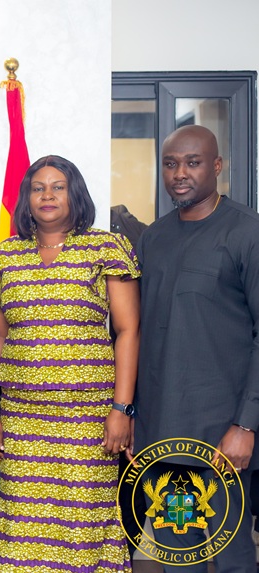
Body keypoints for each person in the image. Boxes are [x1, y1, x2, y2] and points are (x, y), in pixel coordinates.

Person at [0, 156, 138, 573]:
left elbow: (127, 331)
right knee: (21, 533)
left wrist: (121, 409)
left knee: (82, 530)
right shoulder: (5, 255)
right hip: (22, 422)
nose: (47, 195)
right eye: (38, 188)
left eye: (58, 187)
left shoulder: (105, 248)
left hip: (87, 423)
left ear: (75, 194)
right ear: (26, 199)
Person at [134, 125, 259, 572]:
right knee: (178, 551)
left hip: (221, 436)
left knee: (230, 554)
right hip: (164, 436)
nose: (179, 173)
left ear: (217, 166)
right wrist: (135, 421)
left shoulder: (247, 232)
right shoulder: (153, 238)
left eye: (193, 162)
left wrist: (245, 424)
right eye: (170, 164)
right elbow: (141, 335)